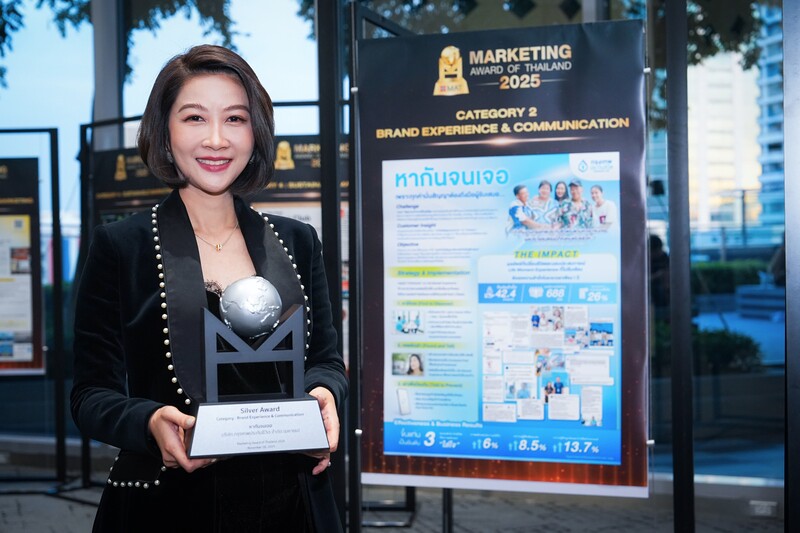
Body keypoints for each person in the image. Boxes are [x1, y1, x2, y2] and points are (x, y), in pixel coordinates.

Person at [70, 45, 348, 532]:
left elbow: (326, 359)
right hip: (169, 506)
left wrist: (326, 392)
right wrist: (148, 421)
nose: (216, 139)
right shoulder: (122, 247)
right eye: (195, 118)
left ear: (255, 133)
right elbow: (90, 394)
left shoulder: (298, 241)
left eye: (235, 119)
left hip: (294, 504)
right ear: (165, 130)